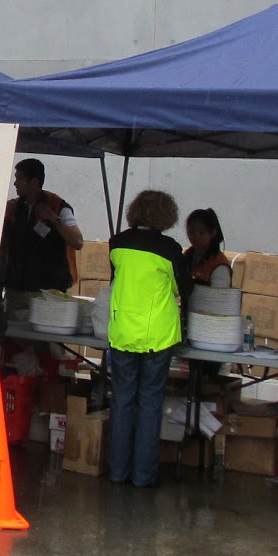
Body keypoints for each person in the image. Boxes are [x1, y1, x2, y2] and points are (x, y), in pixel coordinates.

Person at [106, 189, 191, 487]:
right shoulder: (169, 249)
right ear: (166, 215)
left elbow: (115, 280)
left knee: (122, 402)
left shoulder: (117, 244)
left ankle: (117, 472)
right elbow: (184, 289)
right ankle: (143, 476)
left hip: (122, 332)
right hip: (157, 335)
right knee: (150, 403)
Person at [0, 159, 83, 296]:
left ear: (34, 182)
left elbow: (78, 242)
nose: (15, 183)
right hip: (17, 288)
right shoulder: (12, 208)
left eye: (20, 179)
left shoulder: (58, 206)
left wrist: (54, 219)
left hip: (49, 291)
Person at [183, 208, 231, 287]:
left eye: (201, 233)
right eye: (191, 231)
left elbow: (219, 296)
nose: (195, 237)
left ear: (212, 233)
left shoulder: (219, 265)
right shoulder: (187, 255)